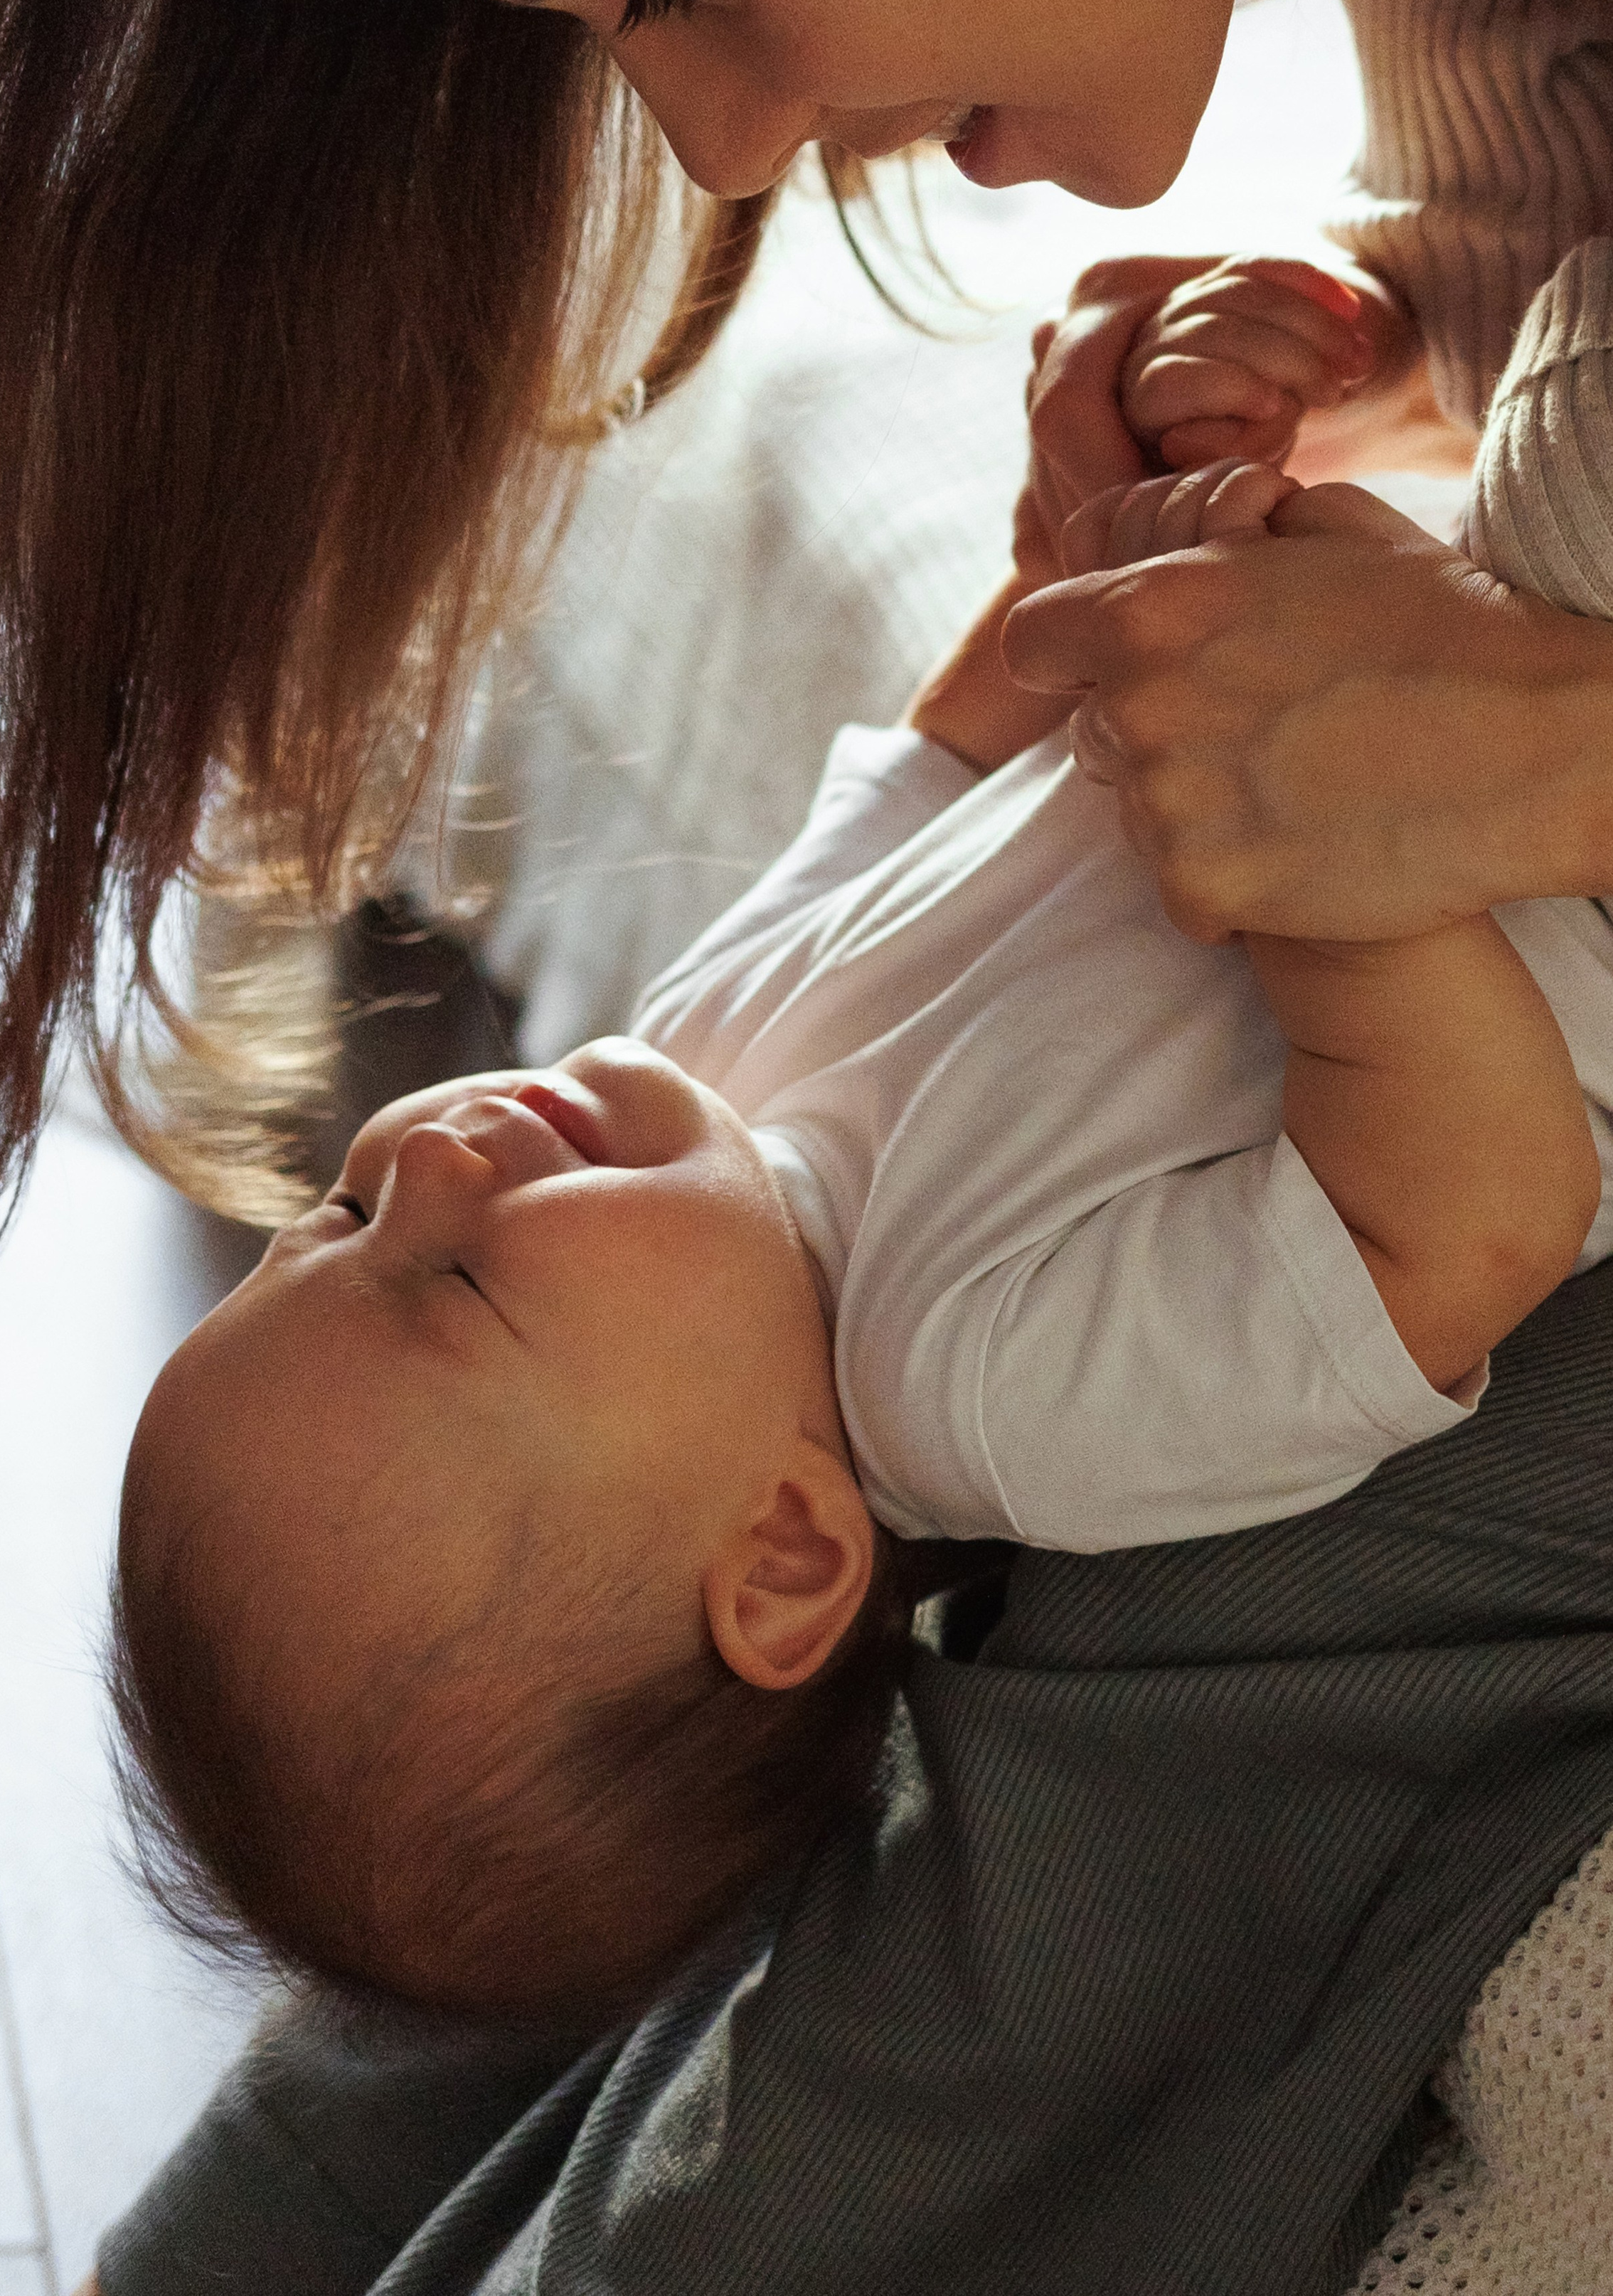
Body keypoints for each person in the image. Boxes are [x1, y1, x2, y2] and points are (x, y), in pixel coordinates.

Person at [0, 0, 1609, 2288]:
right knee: (525, 1755)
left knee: (1089, 1715)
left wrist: (1367, 755)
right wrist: (1319, 379)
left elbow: (1015, 796)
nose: (728, 151)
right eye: (434, 1279)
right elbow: (1498, 293)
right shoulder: (932, 1327)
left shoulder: (777, 1178)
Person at [111, 440, 1609, 2043]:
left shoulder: (698, 1073)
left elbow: (951, 759)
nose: (427, 1164)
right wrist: (1312, 820)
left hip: (1428, 640)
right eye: (459, 1286)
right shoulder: (996, 1393)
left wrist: (1104, 523)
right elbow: (1464, 1218)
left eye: (333, 1217)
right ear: (785, 1555)